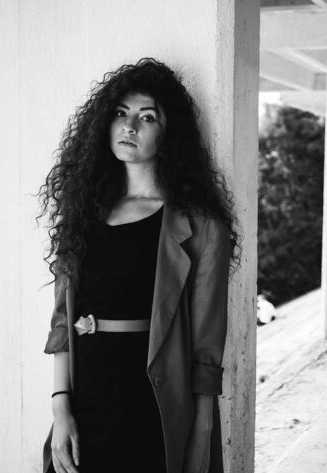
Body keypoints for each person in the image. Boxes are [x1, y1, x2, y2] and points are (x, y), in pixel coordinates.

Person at [35, 58, 239, 473]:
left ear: (169, 135)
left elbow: (205, 346)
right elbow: (62, 325)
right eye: (120, 114)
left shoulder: (199, 226)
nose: (130, 126)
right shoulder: (82, 214)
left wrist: (200, 433)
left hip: (153, 402)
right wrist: (61, 410)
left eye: (147, 117)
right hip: (85, 396)